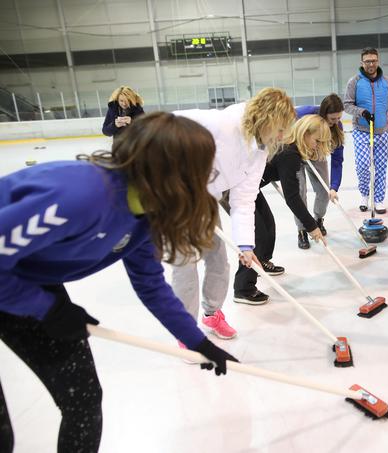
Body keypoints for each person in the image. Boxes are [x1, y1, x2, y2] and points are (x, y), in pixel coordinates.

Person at [0, 112, 238, 452]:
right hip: (19, 283)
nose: (205, 180)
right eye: (199, 169)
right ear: (170, 171)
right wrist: (47, 309)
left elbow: (150, 284)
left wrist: (197, 342)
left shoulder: (144, 214)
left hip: (25, 281)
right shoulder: (79, 195)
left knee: (82, 400)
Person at [172, 88, 296, 330]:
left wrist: (246, 245)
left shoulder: (260, 152)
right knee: (186, 265)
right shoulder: (221, 124)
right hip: (176, 200)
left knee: (218, 260)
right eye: (280, 128)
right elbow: (168, 123)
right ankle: (185, 329)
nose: (282, 136)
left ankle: (212, 313)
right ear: (267, 119)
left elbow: (244, 200)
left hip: (206, 203)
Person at [240, 115, 331, 297]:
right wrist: (312, 226)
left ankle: (263, 262)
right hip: (238, 189)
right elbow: (292, 197)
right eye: (317, 141)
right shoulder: (290, 154)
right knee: (256, 235)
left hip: (250, 187)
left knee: (268, 224)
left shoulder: (290, 149)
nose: (318, 146)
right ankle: (243, 289)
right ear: (305, 134)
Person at [344, 47, 388, 214]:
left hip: (382, 131)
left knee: (380, 167)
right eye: (367, 61)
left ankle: (378, 199)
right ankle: (364, 195)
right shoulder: (354, 82)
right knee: (363, 166)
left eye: (374, 60)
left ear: (378, 61)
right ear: (362, 63)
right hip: (361, 131)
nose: (371, 64)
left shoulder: (387, 82)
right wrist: (361, 112)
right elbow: (347, 105)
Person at [294, 94, 345, 249]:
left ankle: (318, 220)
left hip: (317, 153)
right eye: (332, 119)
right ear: (323, 114)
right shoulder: (305, 113)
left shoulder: (337, 127)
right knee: (300, 192)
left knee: (324, 191)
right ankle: (302, 229)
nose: (336, 123)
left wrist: (334, 187)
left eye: (339, 118)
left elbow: (337, 160)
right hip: (295, 155)